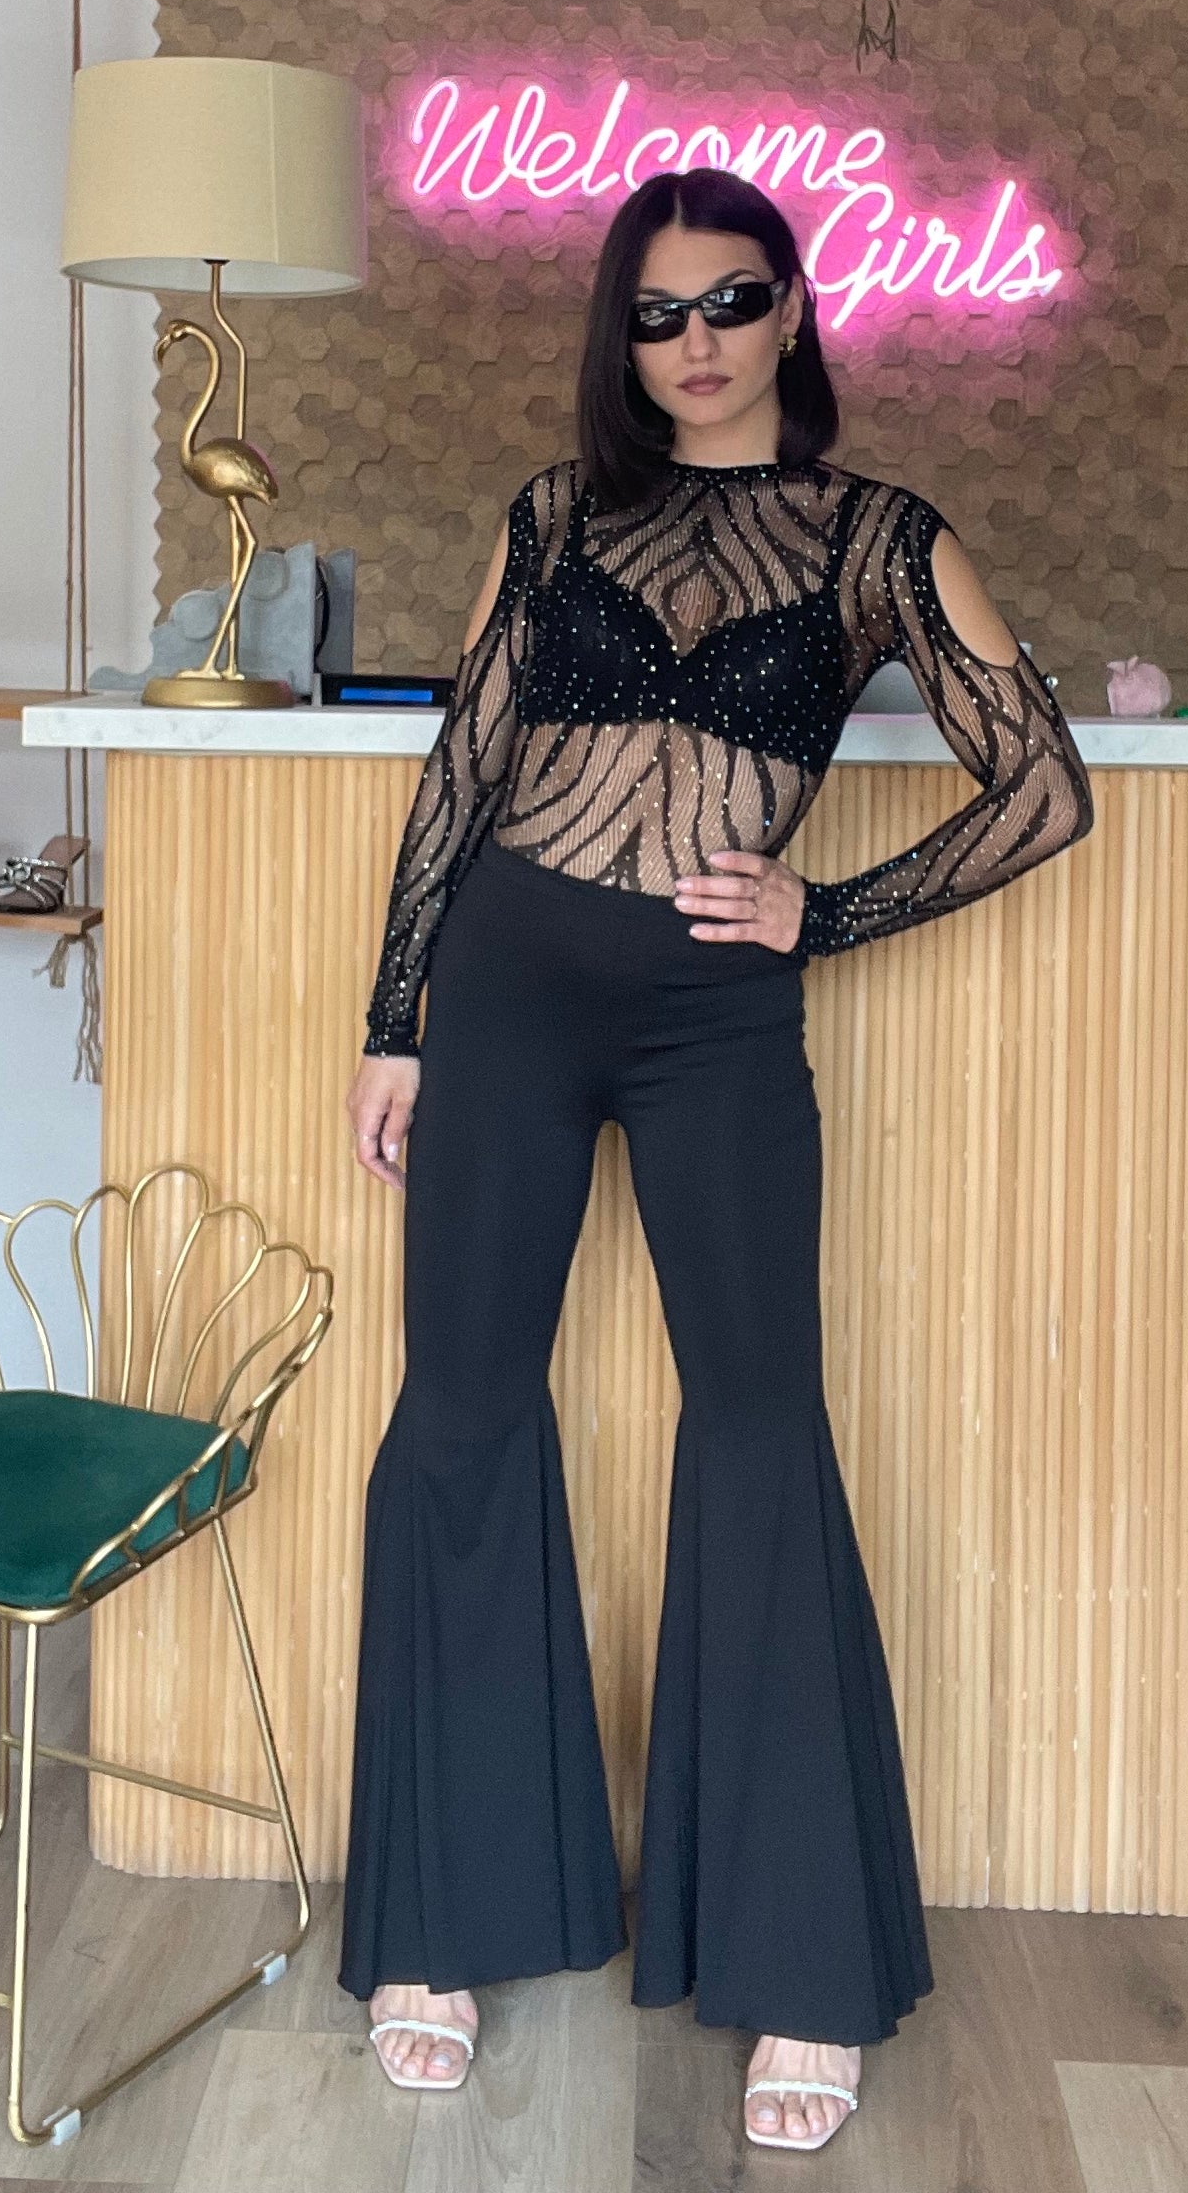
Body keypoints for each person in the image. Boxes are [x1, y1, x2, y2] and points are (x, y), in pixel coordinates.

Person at [339, 166, 1095, 2154]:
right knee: (461, 1414)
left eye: (732, 299)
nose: (695, 340)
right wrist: (397, 1017)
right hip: (508, 985)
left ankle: (800, 1963)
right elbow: (460, 773)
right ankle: (437, 1924)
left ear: (793, 310)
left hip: (715, 1018)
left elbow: (1044, 789)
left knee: (759, 1425)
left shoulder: (881, 541)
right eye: (658, 311)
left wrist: (820, 912)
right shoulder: (553, 515)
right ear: (627, 333)